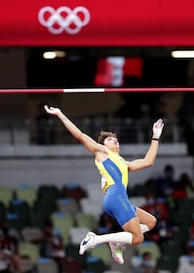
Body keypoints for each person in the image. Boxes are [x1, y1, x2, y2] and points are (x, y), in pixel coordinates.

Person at [44, 105, 165, 265]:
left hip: (119, 198)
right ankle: (96, 239)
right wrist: (60, 115)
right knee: (137, 238)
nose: (114, 140)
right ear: (104, 145)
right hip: (116, 196)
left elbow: (148, 161)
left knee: (151, 222)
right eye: (109, 139)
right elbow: (80, 136)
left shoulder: (123, 162)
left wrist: (155, 136)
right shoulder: (102, 153)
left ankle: (117, 242)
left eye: (115, 139)